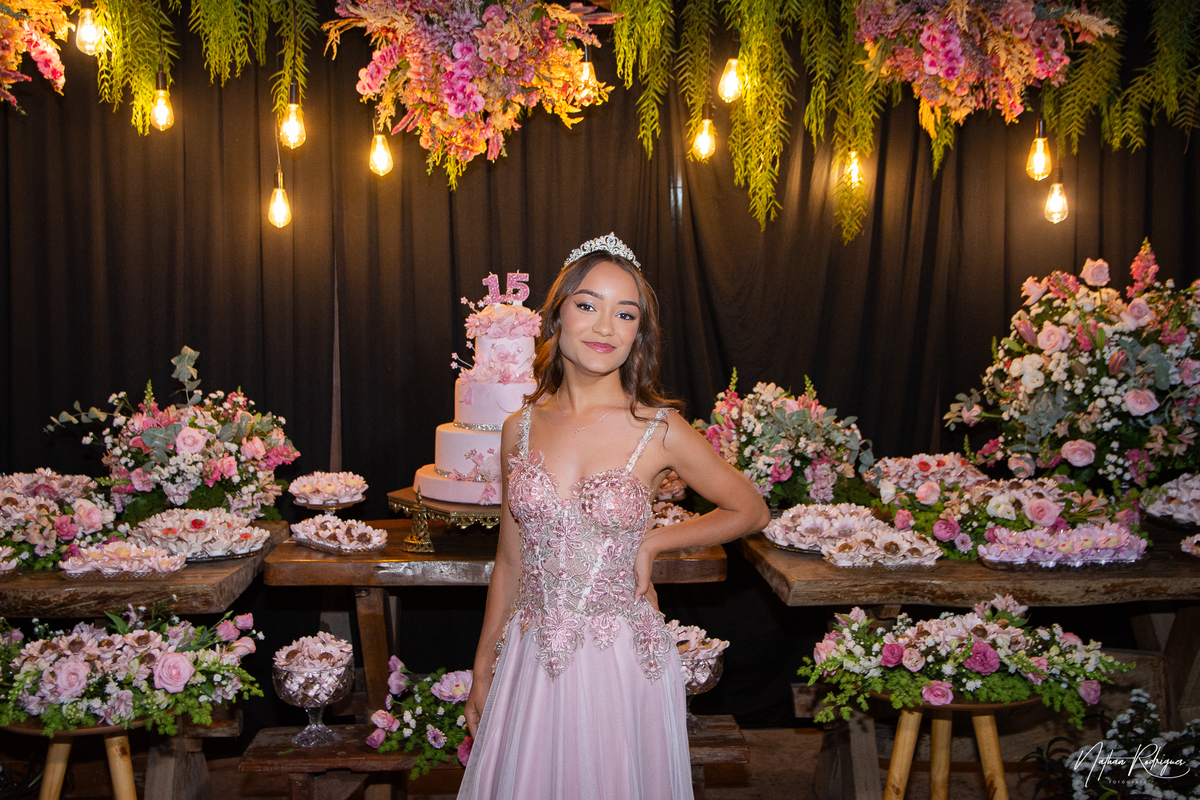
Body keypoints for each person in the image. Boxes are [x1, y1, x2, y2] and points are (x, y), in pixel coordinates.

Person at [457, 234, 769, 800]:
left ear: (638, 334)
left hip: (619, 660)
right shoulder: (518, 428)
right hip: (532, 657)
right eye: (588, 305)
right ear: (557, 317)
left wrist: (653, 544)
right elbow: (510, 562)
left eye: (625, 314)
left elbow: (750, 508)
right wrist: (483, 666)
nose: (605, 327)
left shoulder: (657, 427)